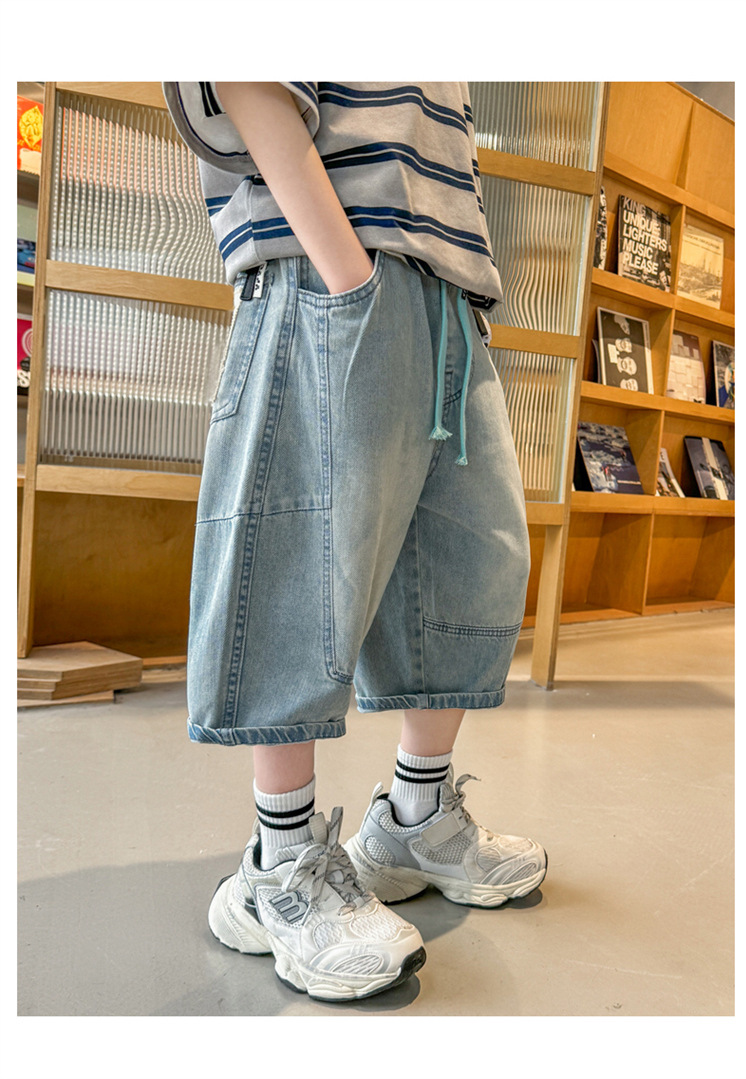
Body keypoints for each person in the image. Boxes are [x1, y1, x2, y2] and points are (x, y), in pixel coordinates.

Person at [162, 81, 547, 1002]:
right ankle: (279, 862)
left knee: (471, 563)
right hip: (331, 262)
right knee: (297, 555)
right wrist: (346, 272)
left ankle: (417, 816)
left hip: (449, 296)